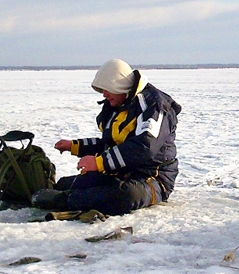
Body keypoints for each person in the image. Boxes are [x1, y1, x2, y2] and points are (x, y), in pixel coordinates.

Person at [33, 59, 182, 216]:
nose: (104, 94)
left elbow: (144, 147)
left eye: (107, 89)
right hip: (121, 172)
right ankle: (60, 193)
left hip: (152, 178)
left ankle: (66, 201)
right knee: (68, 184)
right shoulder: (119, 104)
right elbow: (109, 144)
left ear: (119, 86)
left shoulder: (153, 106)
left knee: (127, 195)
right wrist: (75, 146)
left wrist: (99, 162)